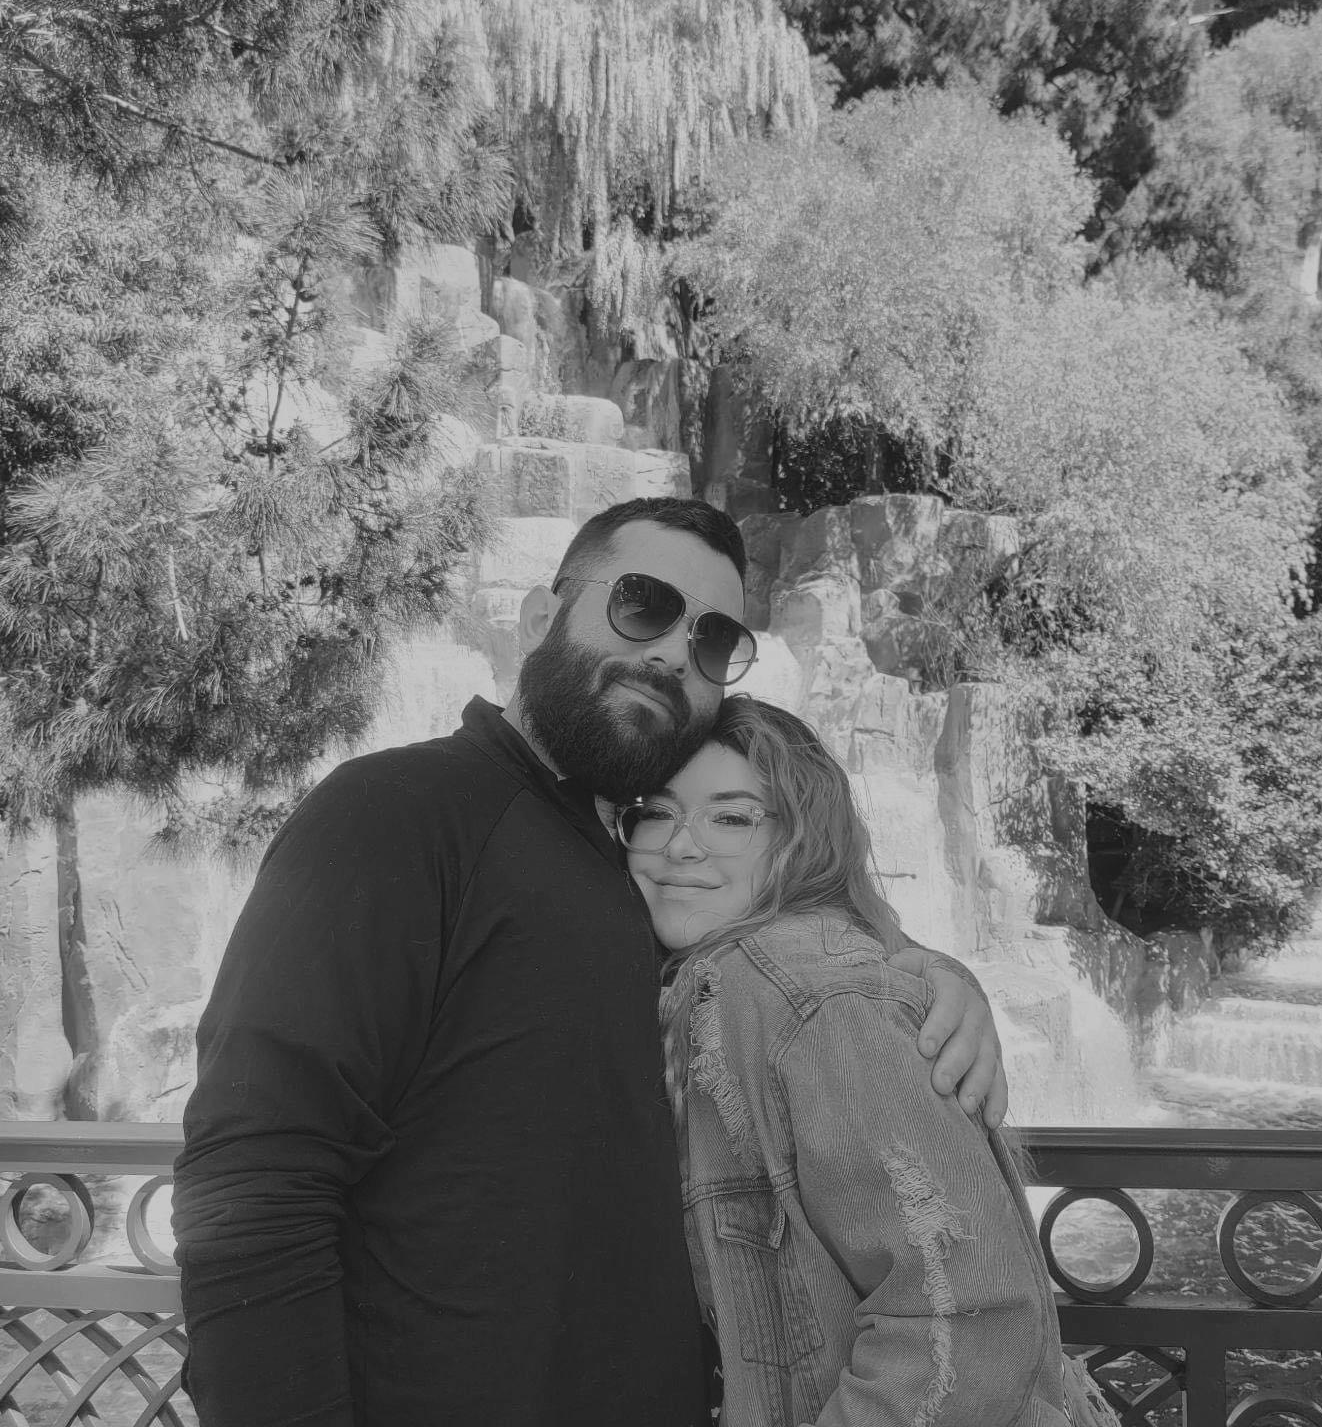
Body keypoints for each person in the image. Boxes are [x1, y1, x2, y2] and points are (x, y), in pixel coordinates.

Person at [173, 496, 1009, 1427]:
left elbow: (796, 932)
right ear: (542, 615)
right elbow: (254, 1185)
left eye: (713, 640)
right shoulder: (397, 811)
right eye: (644, 605)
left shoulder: (636, 870)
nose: (673, 653)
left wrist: (924, 971)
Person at [624, 694, 1121, 1427]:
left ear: (801, 843)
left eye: (731, 818)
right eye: (657, 813)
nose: (680, 846)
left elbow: (969, 1319)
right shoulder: (690, 986)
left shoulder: (818, 1002)